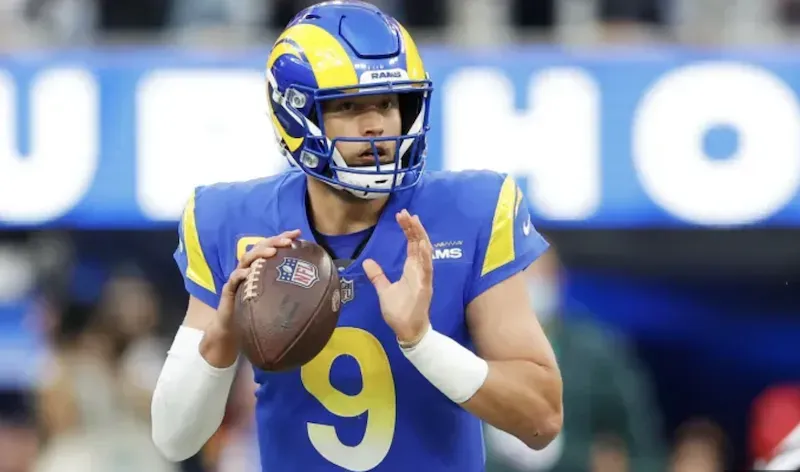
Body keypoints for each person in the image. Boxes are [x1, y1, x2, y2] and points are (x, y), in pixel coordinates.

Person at [150, 1, 563, 471]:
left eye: (388, 103)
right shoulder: (228, 221)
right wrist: (221, 337)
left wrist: (423, 342)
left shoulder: (472, 211)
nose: (377, 126)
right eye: (348, 106)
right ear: (295, 116)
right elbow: (174, 439)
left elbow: (542, 419)